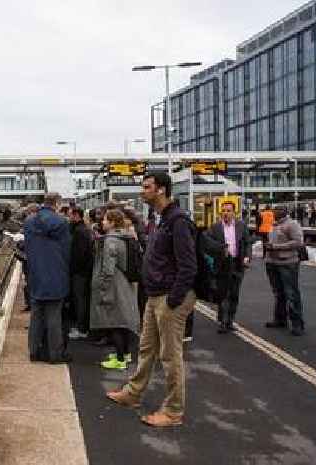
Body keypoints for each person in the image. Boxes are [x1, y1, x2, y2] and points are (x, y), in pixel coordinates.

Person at [106, 172, 197, 428]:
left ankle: (173, 411)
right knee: (146, 349)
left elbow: (188, 265)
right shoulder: (160, 220)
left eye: (147, 187)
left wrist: (174, 299)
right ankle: (133, 393)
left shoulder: (178, 221)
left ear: (161, 190)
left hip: (169, 297)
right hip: (155, 295)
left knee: (170, 356)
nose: (142, 191)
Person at [24, 193, 72, 363]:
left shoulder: (29, 222)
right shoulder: (61, 222)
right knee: (54, 317)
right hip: (56, 274)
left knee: (36, 315)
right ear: (57, 204)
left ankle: (34, 351)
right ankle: (55, 354)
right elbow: (67, 251)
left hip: (35, 274)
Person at [91, 209, 139, 370]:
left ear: (112, 223)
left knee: (115, 321)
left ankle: (119, 359)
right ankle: (125, 354)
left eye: (105, 220)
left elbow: (108, 269)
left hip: (114, 286)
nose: (102, 222)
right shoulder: (125, 236)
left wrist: (102, 289)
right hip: (125, 283)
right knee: (123, 321)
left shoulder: (111, 241)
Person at [203, 201, 252, 333]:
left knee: (234, 294)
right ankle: (223, 322)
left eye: (228, 211)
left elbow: (247, 242)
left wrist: (247, 256)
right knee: (224, 293)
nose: (225, 213)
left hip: (237, 263)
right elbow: (205, 241)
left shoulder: (241, 226)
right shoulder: (215, 227)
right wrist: (220, 249)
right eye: (223, 211)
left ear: (234, 212)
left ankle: (230, 320)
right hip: (223, 264)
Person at [265, 205, 306, 336]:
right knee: (278, 293)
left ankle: (297, 324)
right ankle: (280, 319)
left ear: (285, 212)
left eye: (278, 210)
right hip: (272, 263)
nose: (275, 212)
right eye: (274, 210)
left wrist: (276, 247)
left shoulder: (292, 224)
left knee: (291, 293)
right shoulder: (273, 224)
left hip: (287, 263)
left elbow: (298, 242)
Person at [68, 207, 93, 339]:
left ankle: (82, 329)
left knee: (80, 300)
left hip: (80, 273)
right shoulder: (83, 230)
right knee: (81, 300)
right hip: (83, 272)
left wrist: (72, 269)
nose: (68, 218)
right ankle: (81, 326)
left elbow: (80, 254)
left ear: (76, 215)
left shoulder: (79, 232)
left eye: (70, 215)